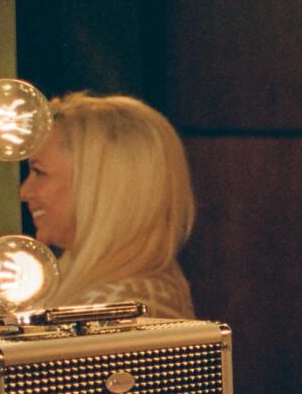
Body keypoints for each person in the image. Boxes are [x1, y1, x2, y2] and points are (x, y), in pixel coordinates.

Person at [17, 91, 196, 318]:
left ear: (98, 184)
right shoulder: (148, 290)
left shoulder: (114, 313)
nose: (24, 192)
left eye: (39, 173)